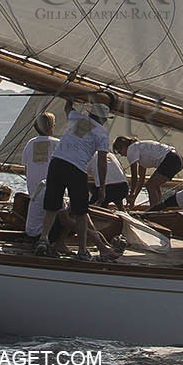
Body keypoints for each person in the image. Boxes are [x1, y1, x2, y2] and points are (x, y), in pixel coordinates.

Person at [37, 100, 121, 259]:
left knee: (52, 207)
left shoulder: (77, 118)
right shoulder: (101, 134)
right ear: (103, 119)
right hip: (76, 168)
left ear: (90, 113)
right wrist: (102, 187)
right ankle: (82, 250)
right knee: (80, 212)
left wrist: (74, 95)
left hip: (57, 163)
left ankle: (43, 239)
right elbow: (102, 162)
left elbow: (67, 107)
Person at [21, 111, 60, 240]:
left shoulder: (30, 144)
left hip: (34, 193)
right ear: (51, 126)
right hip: (52, 193)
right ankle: (61, 242)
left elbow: (27, 169)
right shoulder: (58, 144)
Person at [112, 136, 183, 206]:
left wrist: (131, 193)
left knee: (150, 185)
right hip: (177, 159)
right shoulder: (140, 150)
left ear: (123, 146)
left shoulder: (131, 149)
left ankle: (154, 211)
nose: (121, 154)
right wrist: (134, 197)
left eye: (119, 151)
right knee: (154, 185)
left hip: (171, 159)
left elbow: (134, 176)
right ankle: (158, 208)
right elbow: (141, 179)